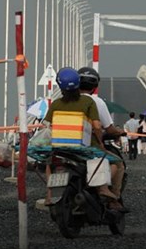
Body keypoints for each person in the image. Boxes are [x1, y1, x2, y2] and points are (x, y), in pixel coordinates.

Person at [43, 67, 124, 211]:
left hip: (60, 146)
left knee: (51, 162)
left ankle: (50, 193)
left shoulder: (55, 104)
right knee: (114, 162)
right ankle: (103, 189)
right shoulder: (88, 102)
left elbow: (47, 126)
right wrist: (100, 144)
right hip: (84, 146)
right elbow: (98, 126)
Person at [77, 67, 127, 200]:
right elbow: (107, 128)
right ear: (94, 86)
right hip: (89, 145)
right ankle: (112, 197)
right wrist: (120, 132)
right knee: (118, 163)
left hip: (63, 144)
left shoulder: (64, 101)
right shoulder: (96, 102)